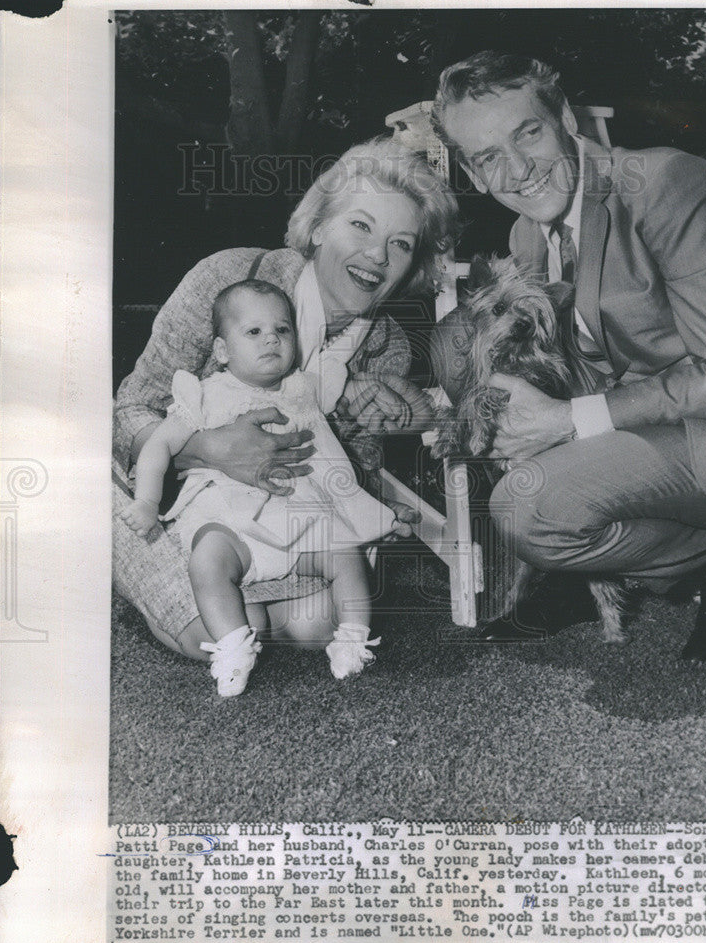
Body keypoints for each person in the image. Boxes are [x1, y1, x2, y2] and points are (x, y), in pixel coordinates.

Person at [430, 51, 706, 659]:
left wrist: (571, 420)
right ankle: (605, 566)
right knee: (456, 347)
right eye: (489, 157)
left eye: (528, 132)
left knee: (525, 505)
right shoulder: (526, 233)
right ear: (474, 173)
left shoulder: (667, 183)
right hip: (658, 434)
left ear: (566, 117)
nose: (517, 169)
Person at [113, 136, 458, 662]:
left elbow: (348, 469)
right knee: (215, 632)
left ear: (412, 265)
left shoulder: (385, 346)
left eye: (401, 244)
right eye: (360, 225)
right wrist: (209, 447)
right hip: (170, 497)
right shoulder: (231, 278)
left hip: (281, 517)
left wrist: (374, 496)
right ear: (318, 227)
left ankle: (251, 606)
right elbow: (130, 407)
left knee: (319, 623)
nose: (376, 256)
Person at [121, 280, 399, 695]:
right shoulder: (204, 395)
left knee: (345, 554)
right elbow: (159, 444)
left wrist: (364, 511)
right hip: (231, 520)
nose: (271, 338)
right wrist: (146, 500)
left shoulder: (302, 388)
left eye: (282, 330)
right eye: (253, 332)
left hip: (298, 517)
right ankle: (233, 646)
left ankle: (354, 638)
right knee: (207, 560)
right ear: (221, 350)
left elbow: (334, 432)